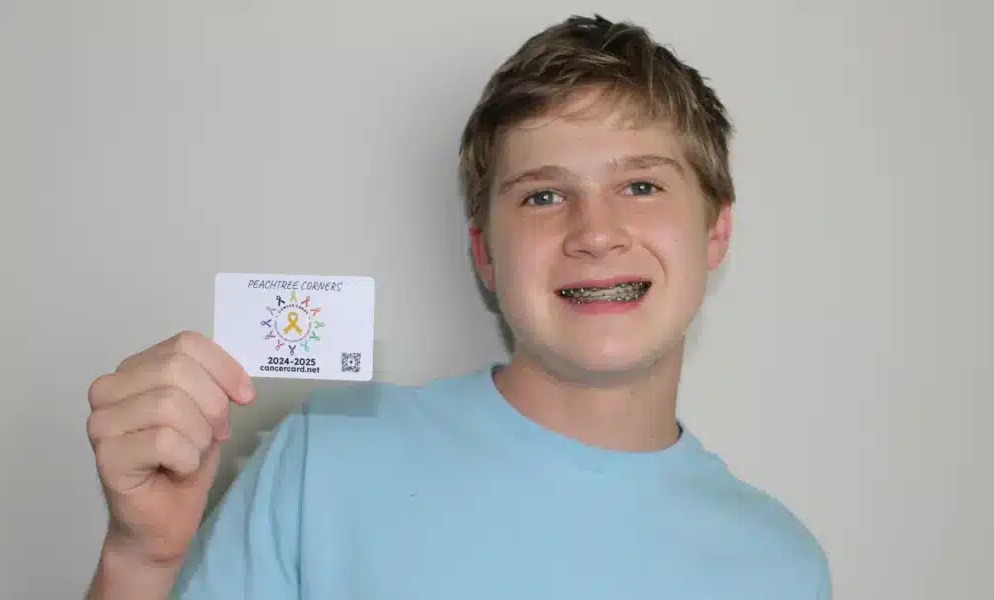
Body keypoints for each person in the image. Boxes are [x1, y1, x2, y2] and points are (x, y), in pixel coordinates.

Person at [84, 13, 831, 599]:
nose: (596, 232)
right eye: (543, 195)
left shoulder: (781, 566)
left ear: (716, 231)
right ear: (484, 253)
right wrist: (138, 561)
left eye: (641, 185)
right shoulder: (321, 464)